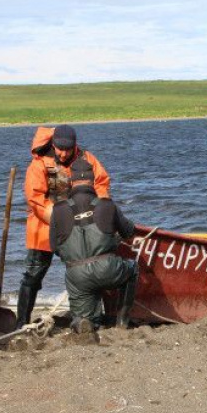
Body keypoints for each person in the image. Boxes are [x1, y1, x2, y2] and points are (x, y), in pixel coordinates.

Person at [15, 124, 110, 329]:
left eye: (68, 149)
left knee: (83, 273)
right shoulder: (39, 163)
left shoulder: (87, 159)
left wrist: (99, 210)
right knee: (32, 276)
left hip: (79, 227)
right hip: (43, 228)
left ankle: (85, 318)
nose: (64, 153)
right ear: (53, 144)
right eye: (60, 149)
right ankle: (21, 322)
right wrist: (61, 221)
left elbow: (101, 184)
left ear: (75, 145)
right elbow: (35, 198)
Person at [49, 161, 138, 339]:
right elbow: (129, 231)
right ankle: (122, 322)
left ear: (72, 181)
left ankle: (84, 322)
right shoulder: (107, 205)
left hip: (77, 276)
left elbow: (54, 247)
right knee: (133, 269)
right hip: (108, 269)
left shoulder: (58, 210)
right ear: (93, 180)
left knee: (84, 317)